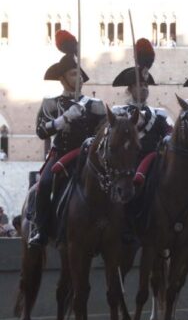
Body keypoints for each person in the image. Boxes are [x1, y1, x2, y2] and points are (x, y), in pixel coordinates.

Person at [29, 30, 106, 247]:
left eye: (80, 74)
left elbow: (104, 129)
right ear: (62, 78)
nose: (79, 78)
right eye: (74, 74)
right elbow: (41, 131)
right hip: (62, 154)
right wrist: (63, 119)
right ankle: (41, 230)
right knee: (43, 185)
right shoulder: (51, 103)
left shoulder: (95, 104)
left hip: (89, 155)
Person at [111, 39, 173, 186]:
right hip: (124, 166)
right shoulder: (118, 112)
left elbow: (170, 131)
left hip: (151, 165)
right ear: (130, 89)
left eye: (146, 85)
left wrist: (167, 138)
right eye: (140, 84)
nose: (144, 88)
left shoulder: (159, 114)